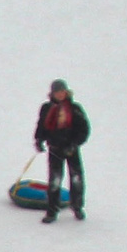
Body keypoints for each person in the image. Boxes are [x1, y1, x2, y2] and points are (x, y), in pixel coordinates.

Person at [32, 80, 88, 222]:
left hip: (71, 149)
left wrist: (74, 144)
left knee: (76, 179)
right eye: (57, 92)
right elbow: (41, 126)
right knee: (54, 180)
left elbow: (84, 129)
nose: (60, 94)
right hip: (55, 149)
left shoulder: (75, 109)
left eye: (62, 91)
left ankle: (77, 207)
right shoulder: (46, 108)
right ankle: (52, 211)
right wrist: (39, 139)